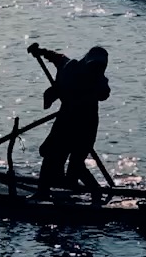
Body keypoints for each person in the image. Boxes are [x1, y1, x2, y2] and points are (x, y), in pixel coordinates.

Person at [28, 43, 110, 195]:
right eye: (94, 66)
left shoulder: (99, 81)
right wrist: (41, 52)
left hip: (86, 126)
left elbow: (104, 93)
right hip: (66, 122)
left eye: (99, 67)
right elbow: (57, 58)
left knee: (76, 165)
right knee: (50, 155)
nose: (96, 70)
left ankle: (95, 193)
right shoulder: (71, 68)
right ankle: (43, 191)